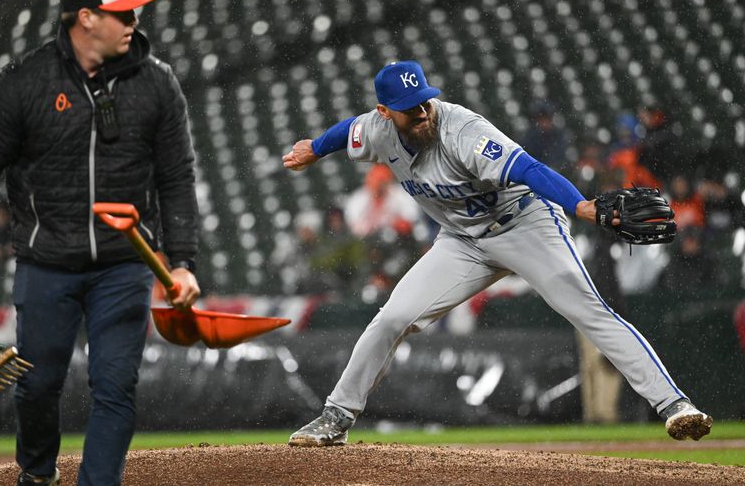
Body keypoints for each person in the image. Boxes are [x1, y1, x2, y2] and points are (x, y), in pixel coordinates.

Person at [282, 60, 712, 446]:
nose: (421, 112)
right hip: (461, 241)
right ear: (384, 112)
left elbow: (529, 168)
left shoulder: (462, 131)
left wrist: (579, 204)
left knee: (589, 311)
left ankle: (674, 404)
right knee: (392, 317)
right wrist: (315, 147)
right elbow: (347, 132)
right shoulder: (376, 131)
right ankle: (335, 417)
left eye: (425, 102)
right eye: (409, 108)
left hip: (526, 225)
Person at [0, 0, 200, 485]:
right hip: (46, 264)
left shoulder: (158, 84)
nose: (133, 22)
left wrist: (183, 262)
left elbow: (177, 176)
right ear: (85, 18)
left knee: (114, 386)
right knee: (37, 387)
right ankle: (37, 475)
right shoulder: (26, 81)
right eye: (120, 13)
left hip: (125, 264)